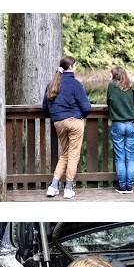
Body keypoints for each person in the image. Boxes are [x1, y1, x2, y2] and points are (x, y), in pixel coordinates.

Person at [43, 55, 89, 199]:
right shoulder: (75, 84)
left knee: (65, 153)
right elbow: (86, 107)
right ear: (71, 67)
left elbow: (45, 107)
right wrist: (78, 114)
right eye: (75, 65)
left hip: (59, 122)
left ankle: (53, 186)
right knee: (73, 154)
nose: (75, 67)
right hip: (75, 122)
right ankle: (68, 188)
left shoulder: (52, 83)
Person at [105, 67, 134, 194]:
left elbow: (109, 101)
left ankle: (122, 186)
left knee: (120, 157)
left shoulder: (111, 86)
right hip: (131, 124)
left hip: (118, 124)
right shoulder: (131, 86)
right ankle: (129, 186)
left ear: (114, 75)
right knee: (130, 157)